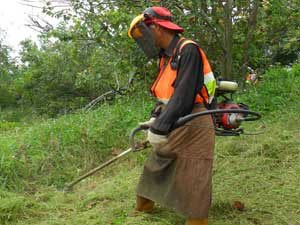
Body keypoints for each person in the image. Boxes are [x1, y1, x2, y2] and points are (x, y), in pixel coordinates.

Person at [128, 6, 216, 225]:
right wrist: (154, 118)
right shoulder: (166, 58)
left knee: (194, 174)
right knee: (155, 163)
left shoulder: (188, 50)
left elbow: (184, 95)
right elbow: (166, 95)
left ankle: (197, 221)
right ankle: (143, 208)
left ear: (157, 27)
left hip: (195, 121)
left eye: (144, 32)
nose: (144, 40)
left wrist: (160, 127)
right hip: (176, 117)